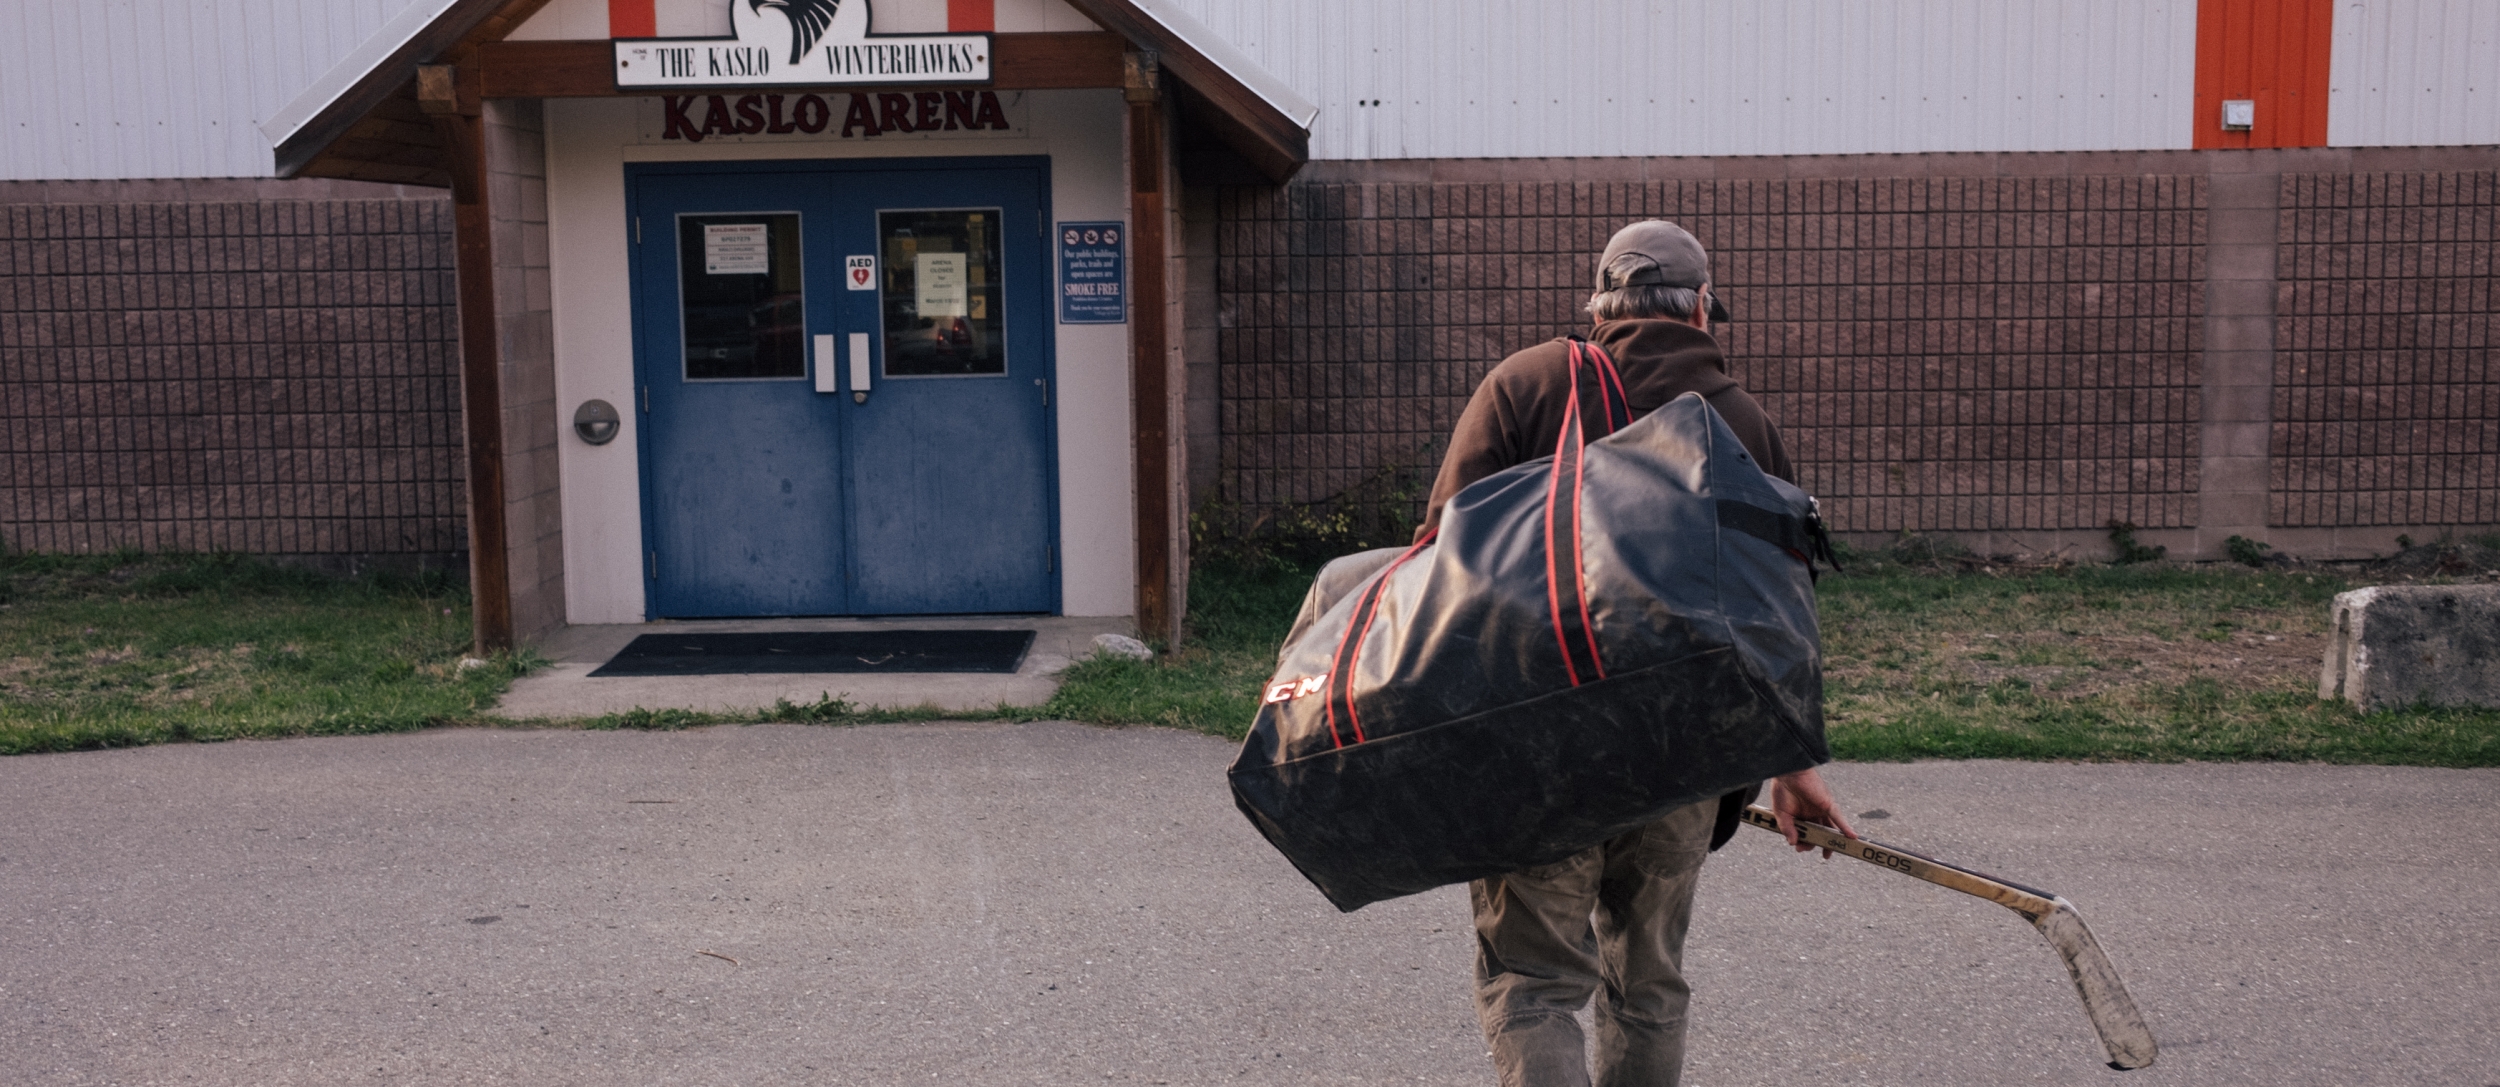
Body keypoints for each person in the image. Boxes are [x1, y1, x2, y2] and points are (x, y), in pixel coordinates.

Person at [1417, 220, 1859, 1087]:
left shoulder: (1525, 385)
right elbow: (1777, 618)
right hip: (1684, 760)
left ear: (1600, 305)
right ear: (1701, 309)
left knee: (1535, 982)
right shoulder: (1740, 422)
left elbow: (1440, 558)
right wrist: (1794, 763)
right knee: (1647, 980)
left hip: (1538, 749)